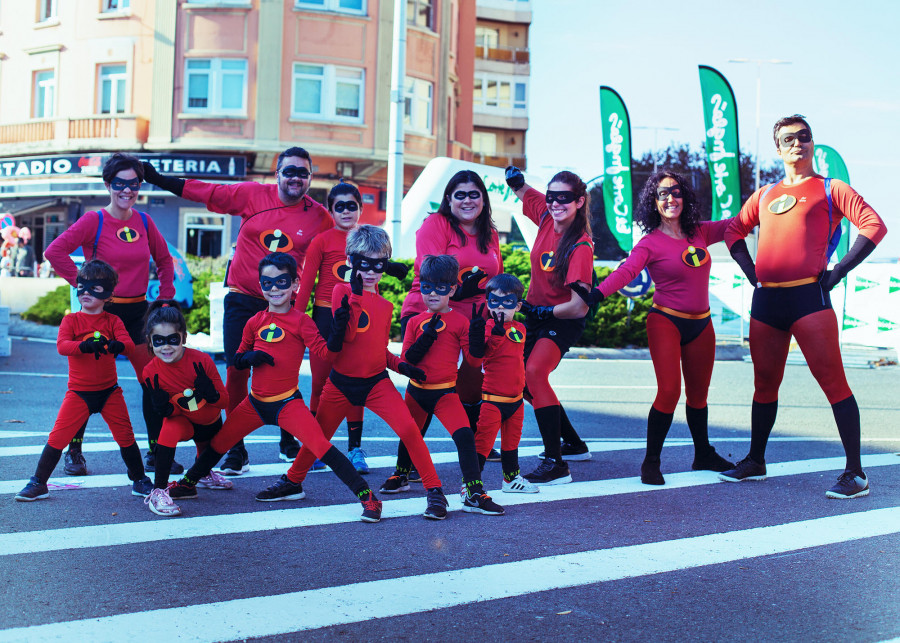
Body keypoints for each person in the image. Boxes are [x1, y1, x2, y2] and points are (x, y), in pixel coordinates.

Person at [720, 114, 887, 499]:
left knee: (833, 384)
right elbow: (733, 230)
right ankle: (756, 460)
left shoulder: (831, 188)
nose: (798, 143)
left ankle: (856, 474)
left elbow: (873, 225)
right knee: (764, 384)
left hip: (808, 300)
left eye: (804, 137)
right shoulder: (763, 195)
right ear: (777, 148)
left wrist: (839, 270)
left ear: (812, 143)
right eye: (789, 139)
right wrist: (750, 270)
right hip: (766, 303)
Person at [142, 147, 333, 474]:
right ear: (277, 174)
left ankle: (289, 442)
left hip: (283, 306)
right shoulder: (251, 195)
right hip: (243, 297)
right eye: (289, 171)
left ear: (310, 177)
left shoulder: (319, 217)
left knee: (282, 372)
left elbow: (333, 260)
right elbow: (206, 191)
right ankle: (236, 450)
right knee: (237, 371)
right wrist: (158, 179)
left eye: (302, 172)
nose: (295, 178)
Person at [168, 253, 383, 523]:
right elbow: (237, 358)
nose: (274, 288)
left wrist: (338, 328)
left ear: (295, 284)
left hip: (287, 403)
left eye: (281, 282)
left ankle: (368, 498)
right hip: (254, 404)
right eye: (267, 283)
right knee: (219, 444)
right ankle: (188, 483)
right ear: (260, 286)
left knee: (320, 446)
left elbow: (327, 354)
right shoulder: (254, 321)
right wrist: (250, 358)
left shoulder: (302, 321)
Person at [275, 225, 450, 519]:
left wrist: (401, 366)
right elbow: (350, 337)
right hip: (341, 382)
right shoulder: (341, 292)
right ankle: (293, 482)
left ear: (385, 264)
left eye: (377, 264)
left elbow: (377, 350)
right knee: (318, 435)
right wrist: (355, 299)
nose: (370, 272)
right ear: (350, 261)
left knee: (409, 429)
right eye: (363, 264)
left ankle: (435, 492)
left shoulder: (385, 304)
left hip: (375, 382)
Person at [573, 171, 734, 485]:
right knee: (670, 390)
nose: (670, 198)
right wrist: (597, 293)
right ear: (654, 202)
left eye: (675, 192)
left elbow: (739, 221)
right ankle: (651, 462)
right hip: (666, 321)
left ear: (685, 197)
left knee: (699, 395)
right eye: (663, 194)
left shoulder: (700, 232)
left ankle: (703, 454)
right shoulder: (650, 242)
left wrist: (774, 196)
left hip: (702, 323)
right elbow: (628, 270)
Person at [44, 153, 176, 477]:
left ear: (139, 186)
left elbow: (165, 260)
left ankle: (156, 451)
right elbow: (54, 251)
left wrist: (165, 297)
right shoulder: (94, 221)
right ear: (108, 184)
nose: (127, 190)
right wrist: (85, 285)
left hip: (138, 315)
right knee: (89, 387)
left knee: (154, 381)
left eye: (133, 184)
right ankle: (73, 451)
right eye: (120, 184)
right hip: (99, 315)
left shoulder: (145, 222)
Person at [15, 260, 153, 501]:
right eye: (81, 287)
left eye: (94, 288)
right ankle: (38, 482)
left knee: (126, 436)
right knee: (57, 437)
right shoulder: (71, 321)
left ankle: (139, 479)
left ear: (108, 293)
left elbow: (129, 345)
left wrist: (115, 345)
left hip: (110, 392)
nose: (86, 292)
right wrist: (85, 346)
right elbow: (62, 346)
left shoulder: (113, 321)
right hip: (78, 393)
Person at [381, 254, 504, 515]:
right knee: (410, 434)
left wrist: (478, 335)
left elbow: (472, 360)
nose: (432, 294)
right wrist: (426, 338)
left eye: (440, 288)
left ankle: (474, 491)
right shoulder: (414, 321)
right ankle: (401, 474)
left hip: (446, 392)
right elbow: (406, 360)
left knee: (464, 436)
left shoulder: (460, 321)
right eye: (426, 288)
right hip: (416, 392)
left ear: (452, 289)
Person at [399, 171, 504, 460]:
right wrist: (456, 293)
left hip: (472, 319)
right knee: (428, 385)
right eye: (460, 194)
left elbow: (498, 277)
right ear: (449, 199)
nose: (467, 200)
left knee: (471, 384)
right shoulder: (436, 224)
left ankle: (475, 447)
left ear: (483, 199)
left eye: (474, 194)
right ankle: (407, 460)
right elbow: (429, 272)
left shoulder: (490, 233)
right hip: (433, 313)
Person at [504, 167, 594, 485]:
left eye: (564, 198)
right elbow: (526, 194)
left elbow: (579, 305)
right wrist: (515, 181)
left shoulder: (579, 247)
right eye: (552, 196)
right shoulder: (546, 215)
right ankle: (573, 444)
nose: (556, 203)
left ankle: (556, 463)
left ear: (579, 202)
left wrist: (544, 312)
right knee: (523, 380)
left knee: (533, 373)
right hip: (536, 316)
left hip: (563, 319)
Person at [295, 181, 368, 473]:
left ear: (360, 208)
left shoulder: (369, 239)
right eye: (340, 206)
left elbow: (375, 285)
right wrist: (294, 323)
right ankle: (314, 447)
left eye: (352, 205)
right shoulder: (322, 241)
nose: (347, 211)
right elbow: (306, 284)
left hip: (358, 320)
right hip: (324, 318)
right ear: (331, 210)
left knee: (355, 384)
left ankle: (355, 449)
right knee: (320, 384)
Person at [141, 300, 233, 517]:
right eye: (159, 341)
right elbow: (173, 411)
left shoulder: (201, 360)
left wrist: (211, 394)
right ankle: (159, 490)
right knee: (169, 427)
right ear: (149, 341)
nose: (166, 347)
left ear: (183, 337)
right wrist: (163, 409)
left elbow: (224, 402)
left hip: (210, 421)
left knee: (214, 443)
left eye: (173, 340)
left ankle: (204, 473)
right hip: (184, 421)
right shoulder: (150, 371)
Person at [469, 273, 538, 494]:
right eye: (494, 301)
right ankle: (471, 484)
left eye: (507, 302)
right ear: (487, 302)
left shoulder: (521, 328)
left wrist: (525, 388)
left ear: (517, 305)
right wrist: (493, 335)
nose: (500, 308)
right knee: (483, 443)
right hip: (493, 399)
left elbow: (518, 360)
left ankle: (511, 479)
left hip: (516, 400)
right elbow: (484, 356)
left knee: (511, 443)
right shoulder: (488, 327)